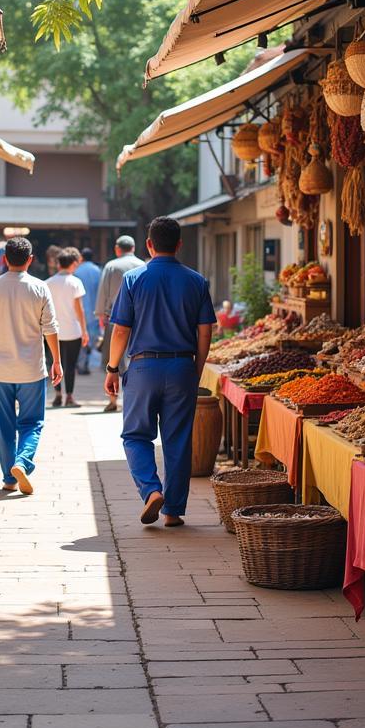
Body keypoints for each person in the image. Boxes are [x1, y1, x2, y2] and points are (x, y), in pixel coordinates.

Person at [104, 217, 214, 528]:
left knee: (136, 435)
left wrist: (113, 368)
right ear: (179, 245)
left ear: (149, 245)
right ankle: (173, 511)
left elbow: (120, 331)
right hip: (182, 365)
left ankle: (151, 489)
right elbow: (205, 331)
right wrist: (196, 368)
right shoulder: (196, 281)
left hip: (142, 366)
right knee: (177, 439)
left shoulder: (133, 279)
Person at [0, 236, 63, 495]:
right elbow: (50, 328)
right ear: (30, 260)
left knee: (3, 424)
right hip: (32, 369)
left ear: (4, 260)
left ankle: (8, 478)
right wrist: (57, 360)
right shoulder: (39, 287)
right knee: (32, 422)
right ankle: (22, 461)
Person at [95, 235, 144, 412]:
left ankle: (113, 400)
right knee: (133, 360)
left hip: (114, 320)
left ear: (117, 249)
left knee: (113, 362)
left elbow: (102, 293)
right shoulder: (143, 266)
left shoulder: (111, 266)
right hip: (140, 321)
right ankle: (133, 400)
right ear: (134, 247)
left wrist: (100, 315)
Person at [46, 249, 89, 408]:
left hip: (52, 332)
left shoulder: (48, 282)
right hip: (73, 331)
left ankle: (57, 395)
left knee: (54, 363)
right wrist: (84, 331)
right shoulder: (75, 282)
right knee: (70, 365)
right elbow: (80, 309)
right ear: (72, 264)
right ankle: (69, 396)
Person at [74, 247, 102, 375]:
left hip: (80, 311)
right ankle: (87, 363)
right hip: (95, 311)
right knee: (92, 339)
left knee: (81, 339)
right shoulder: (98, 270)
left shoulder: (77, 271)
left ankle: (82, 364)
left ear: (82, 258)